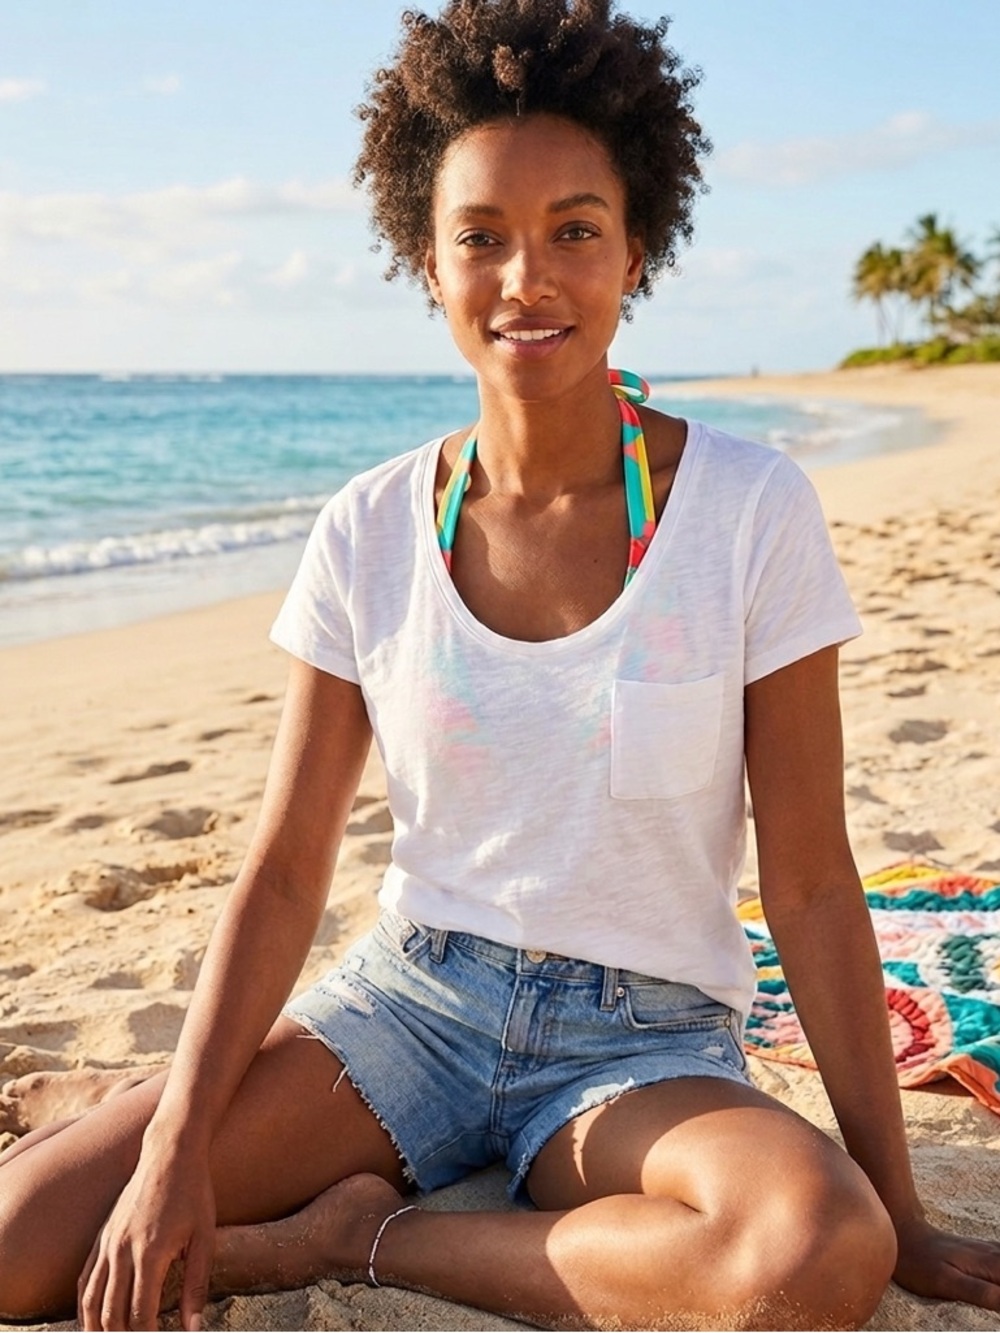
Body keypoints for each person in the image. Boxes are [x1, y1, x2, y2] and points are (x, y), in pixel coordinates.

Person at [2, 2, 999, 1329]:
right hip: (411, 1005)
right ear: (427, 258)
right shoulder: (366, 525)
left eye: (575, 231)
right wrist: (176, 1144)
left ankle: (369, 1236)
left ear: (637, 247)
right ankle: (135, 1117)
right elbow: (290, 864)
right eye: (481, 236)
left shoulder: (749, 512)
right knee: (24, 1245)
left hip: (639, 1047)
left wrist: (906, 1218)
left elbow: (812, 881)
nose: (526, 278)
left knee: (810, 1250)